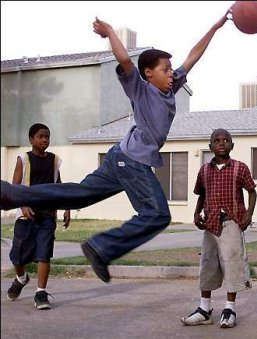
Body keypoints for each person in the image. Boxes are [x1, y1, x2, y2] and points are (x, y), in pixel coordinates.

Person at [0, 12, 230, 283]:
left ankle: (12, 194)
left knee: (79, 195)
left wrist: (215, 27)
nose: (171, 74)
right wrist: (110, 32)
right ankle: (101, 247)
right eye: (165, 70)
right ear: (148, 73)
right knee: (157, 214)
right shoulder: (141, 89)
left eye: (170, 70)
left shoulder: (171, 87)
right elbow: (124, 60)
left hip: (121, 156)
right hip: (131, 161)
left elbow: (193, 56)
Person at [181, 129, 257, 329]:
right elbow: (201, 195)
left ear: (232, 145)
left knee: (232, 263)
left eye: (226, 140)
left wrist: (248, 214)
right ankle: (204, 309)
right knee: (207, 264)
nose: (221, 143)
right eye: (217, 140)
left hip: (231, 222)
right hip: (210, 224)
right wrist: (197, 213)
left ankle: (229, 309)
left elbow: (252, 192)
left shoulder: (240, 168)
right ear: (210, 147)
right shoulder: (205, 170)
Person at [6, 123, 71, 310]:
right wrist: (23, 204)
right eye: (41, 136)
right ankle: (21, 278)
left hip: (47, 215)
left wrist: (66, 206)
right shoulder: (24, 160)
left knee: (44, 254)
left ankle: (40, 293)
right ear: (31, 139)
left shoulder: (54, 160)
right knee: (18, 257)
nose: (45, 140)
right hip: (26, 216)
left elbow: (59, 186)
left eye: (47, 137)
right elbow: (14, 188)